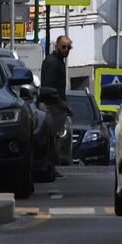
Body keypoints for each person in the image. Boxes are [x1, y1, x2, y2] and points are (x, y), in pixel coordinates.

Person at [39, 35, 73, 167]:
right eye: (63, 47)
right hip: (53, 106)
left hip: (55, 105)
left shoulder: (58, 61)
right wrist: (62, 104)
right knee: (55, 138)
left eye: (68, 47)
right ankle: (52, 165)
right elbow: (49, 87)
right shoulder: (53, 62)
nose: (66, 50)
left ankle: (53, 165)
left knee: (57, 137)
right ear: (56, 46)